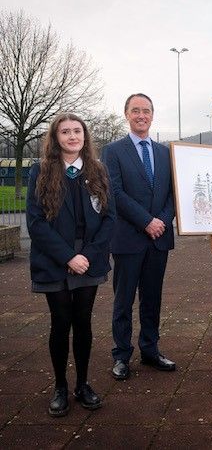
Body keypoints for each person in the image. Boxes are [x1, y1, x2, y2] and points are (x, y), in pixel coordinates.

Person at [27, 113, 115, 416]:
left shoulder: (98, 171)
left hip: (89, 258)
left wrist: (86, 256)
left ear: (85, 136)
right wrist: (68, 257)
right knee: (60, 322)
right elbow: (36, 223)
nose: (72, 136)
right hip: (56, 259)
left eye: (77, 131)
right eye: (65, 132)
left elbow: (109, 219)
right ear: (56, 137)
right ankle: (60, 387)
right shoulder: (40, 171)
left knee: (84, 322)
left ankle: (82, 384)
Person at [101, 93, 176, 380]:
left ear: (153, 115)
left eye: (146, 110)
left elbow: (172, 194)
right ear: (126, 114)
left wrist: (162, 222)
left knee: (152, 299)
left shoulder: (164, 152)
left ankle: (150, 350)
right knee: (123, 300)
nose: (141, 115)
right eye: (136, 111)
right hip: (128, 238)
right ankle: (121, 355)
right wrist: (147, 222)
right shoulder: (113, 151)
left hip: (158, 240)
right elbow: (115, 193)